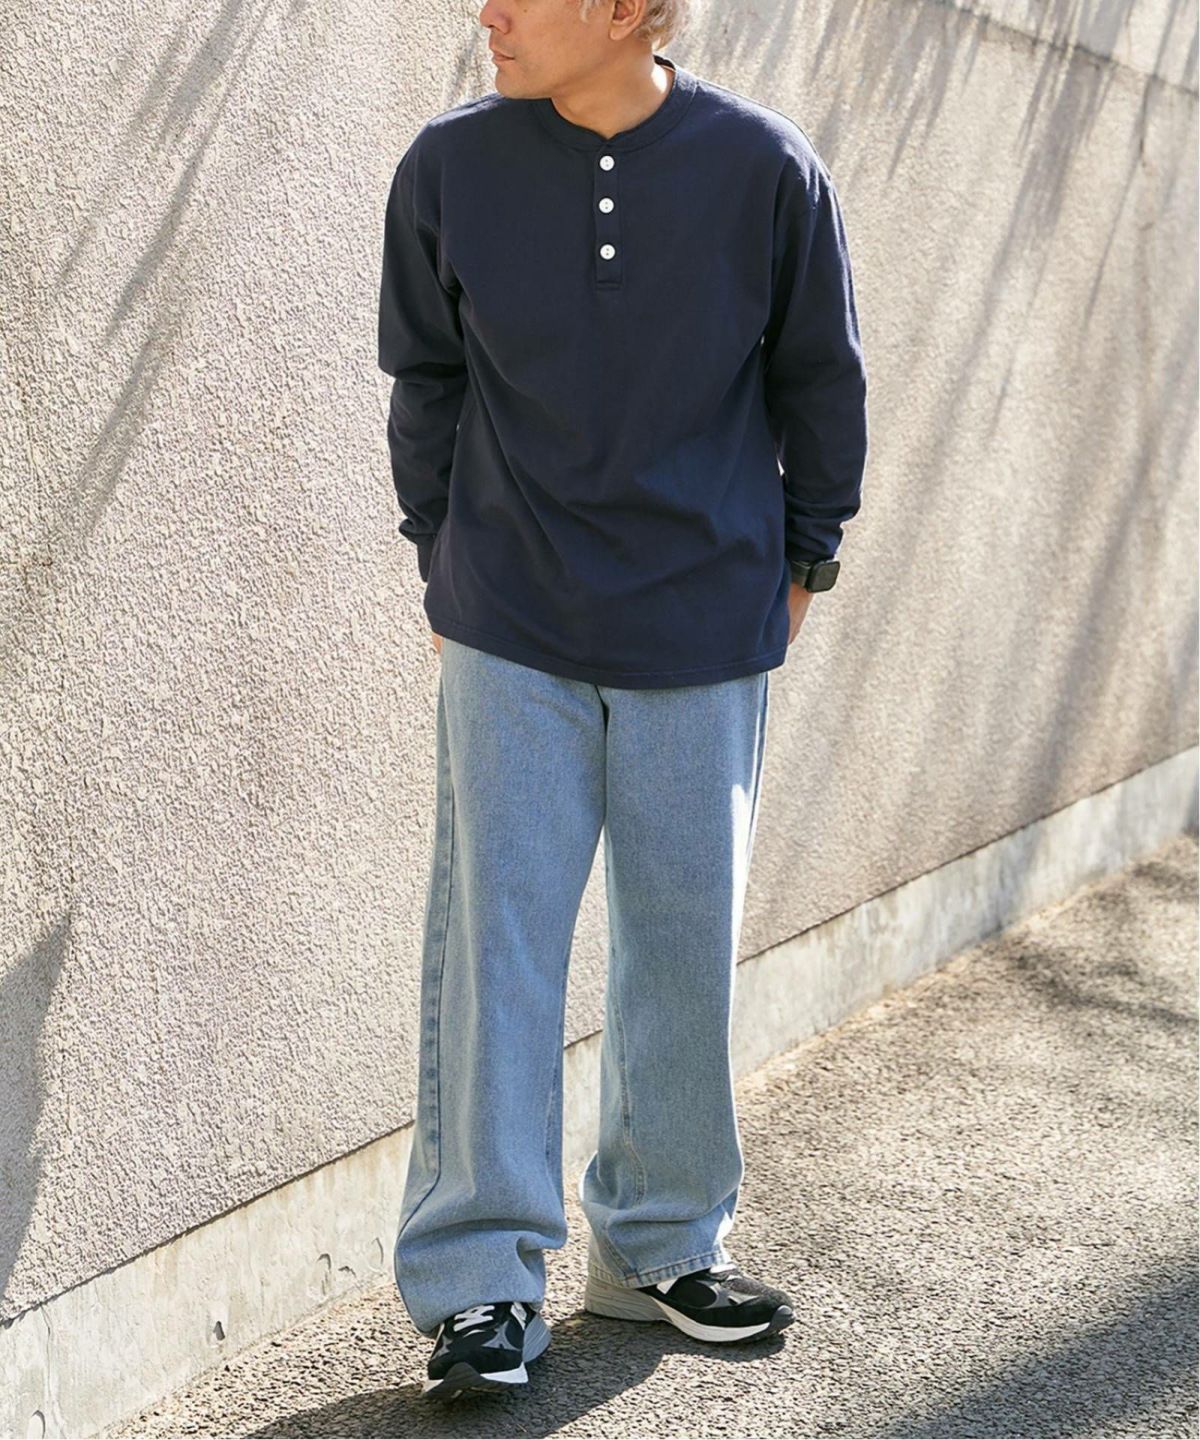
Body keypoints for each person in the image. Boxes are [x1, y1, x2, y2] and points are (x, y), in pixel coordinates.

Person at [376, 0, 868, 1403]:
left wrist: (807, 562)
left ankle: (659, 1245)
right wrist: (440, 554)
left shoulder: (766, 171)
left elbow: (821, 380)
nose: (488, 11)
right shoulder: (450, 166)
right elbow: (425, 374)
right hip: (510, 626)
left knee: (681, 947)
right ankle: (481, 1281)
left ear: (625, 10)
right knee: (496, 951)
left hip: (702, 626)